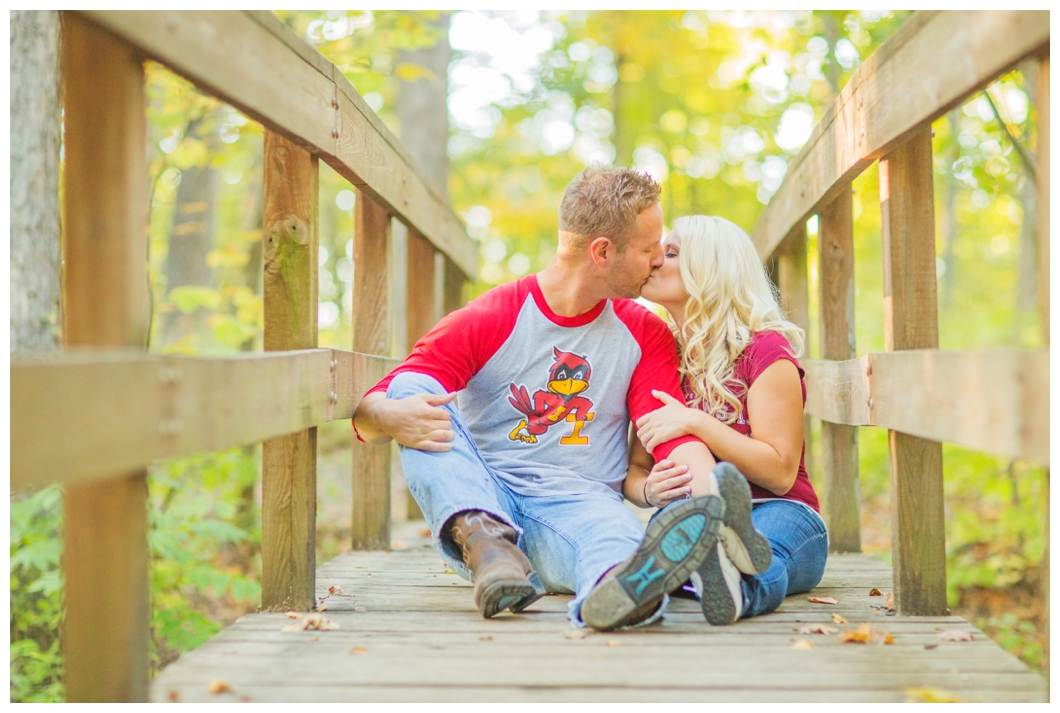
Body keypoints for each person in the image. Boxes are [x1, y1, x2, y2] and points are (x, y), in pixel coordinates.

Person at [352, 167, 763, 630]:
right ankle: (489, 546)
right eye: (649, 250)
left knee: (621, 545)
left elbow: (669, 429)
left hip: (577, 508)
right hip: (482, 497)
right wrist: (387, 415)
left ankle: (621, 591)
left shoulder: (645, 333)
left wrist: (712, 510)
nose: (656, 261)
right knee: (411, 389)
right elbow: (371, 411)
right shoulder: (494, 315)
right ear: (603, 252)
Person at [625, 214, 828, 625]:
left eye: (671, 252)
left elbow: (781, 472)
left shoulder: (764, 351)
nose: (654, 260)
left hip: (778, 509)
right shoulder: (658, 359)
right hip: (693, 509)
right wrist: (648, 492)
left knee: (762, 555)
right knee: (671, 542)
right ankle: (692, 570)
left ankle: (739, 591)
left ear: (710, 269)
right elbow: (635, 469)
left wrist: (696, 423)